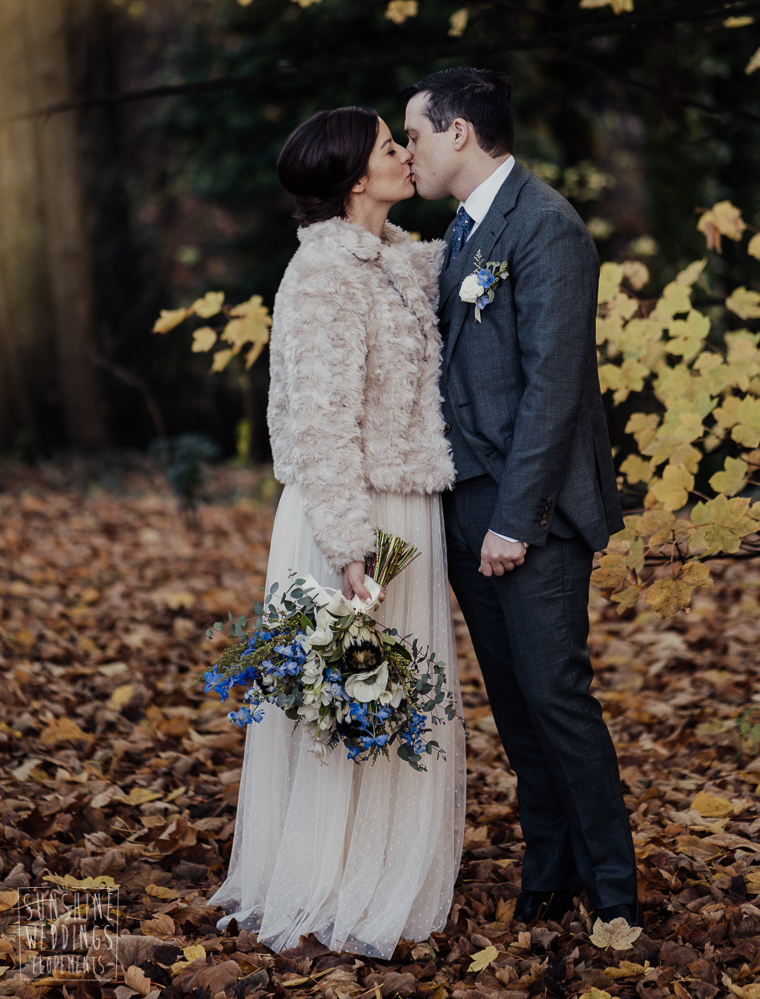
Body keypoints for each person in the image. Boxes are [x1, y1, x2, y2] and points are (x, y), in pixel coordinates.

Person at [209, 107, 466, 959]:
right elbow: (320, 425)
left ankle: (385, 871)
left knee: (397, 698)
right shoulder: (323, 273)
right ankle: (329, 881)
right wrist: (348, 548)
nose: (406, 154)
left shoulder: (393, 259)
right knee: (345, 699)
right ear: (358, 176)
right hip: (347, 516)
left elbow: (453, 263)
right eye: (393, 146)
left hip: (406, 505)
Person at [400, 67, 640, 927]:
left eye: (415, 135)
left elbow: (555, 389)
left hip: (530, 513)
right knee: (513, 705)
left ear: (459, 132)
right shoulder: (461, 232)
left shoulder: (547, 226)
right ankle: (549, 871)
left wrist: (515, 521)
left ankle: (615, 892)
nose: (407, 153)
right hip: (466, 505)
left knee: (556, 698)